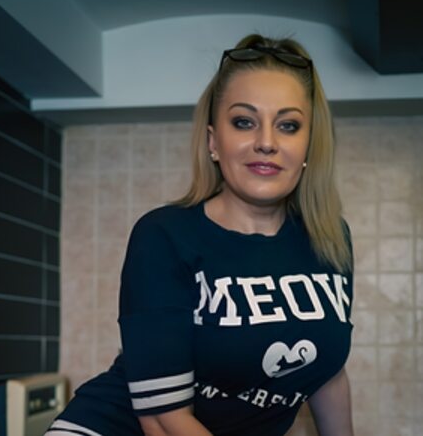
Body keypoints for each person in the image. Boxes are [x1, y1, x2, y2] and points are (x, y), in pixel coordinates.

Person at [46, 33, 354, 436]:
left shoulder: (329, 239)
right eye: (244, 122)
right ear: (213, 142)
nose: (266, 142)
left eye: (288, 125)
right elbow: (163, 418)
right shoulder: (164, 235)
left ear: (309, 145)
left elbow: (327, 371)